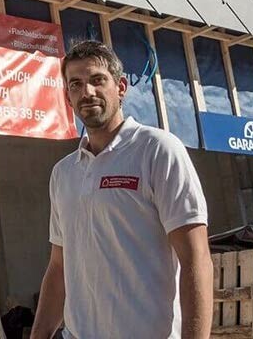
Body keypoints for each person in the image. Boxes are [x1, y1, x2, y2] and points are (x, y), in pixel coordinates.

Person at [30, 40, 212, 339]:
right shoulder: (63, 173)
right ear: (68, 97)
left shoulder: (157, 150)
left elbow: (196, 257)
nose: (87, 92)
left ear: (121, 86)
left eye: (97, 80)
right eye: (75, 84)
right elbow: (59, 266)